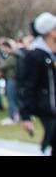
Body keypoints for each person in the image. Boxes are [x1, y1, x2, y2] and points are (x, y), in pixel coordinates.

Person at [19, 12, 56, 155]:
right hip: (47, 109)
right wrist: (26, 116)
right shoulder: (35, 56)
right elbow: (28, 86)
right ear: (50, 32)